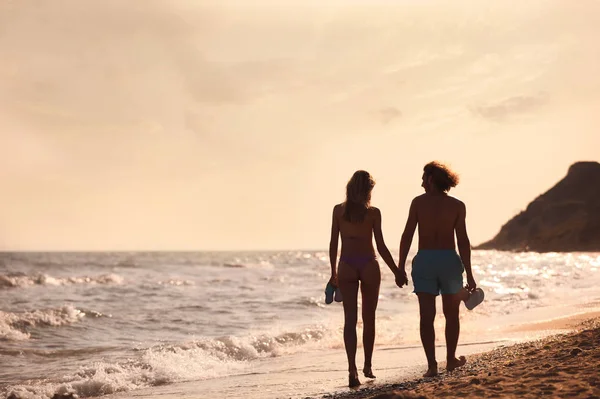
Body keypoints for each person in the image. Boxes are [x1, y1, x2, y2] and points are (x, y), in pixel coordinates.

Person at [398, 161, 477, 377]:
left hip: (425, 261)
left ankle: (432, 365)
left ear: (431, 179)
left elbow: (407, 235)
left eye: (424, 178)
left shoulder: (417, 203)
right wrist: (469, 273)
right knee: (452, 314)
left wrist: (400, 266)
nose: (421, 182)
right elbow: (462, 240)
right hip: (449, 262)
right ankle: (450, 360)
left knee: (426, 316)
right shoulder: (457, 205)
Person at [329, 170, 407, 388]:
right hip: (368, 264)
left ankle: (352, 369)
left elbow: (333, 244)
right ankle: (368, 365)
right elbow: (380, 246)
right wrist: (396, 271)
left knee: (350, 320)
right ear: (367, 190)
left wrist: (333, 272)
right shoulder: (373, 213)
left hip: (346, 264)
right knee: (369, 317)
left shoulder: (338, 211)